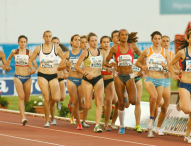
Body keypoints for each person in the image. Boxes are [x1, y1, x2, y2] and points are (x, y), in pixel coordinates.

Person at [136, 31, 171, 138]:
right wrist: (143, 67)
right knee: (154, 96)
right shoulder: (147, 51)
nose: (157, 41)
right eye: (155, 39)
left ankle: (151, 123)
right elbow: (137, 62)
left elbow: (170, 68)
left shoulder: (165, 52)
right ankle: (151, 120)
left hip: (161, 80)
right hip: (149, 78)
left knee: (157, 106)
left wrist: (165, 66)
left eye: (159, 39)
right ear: (152, 40)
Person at [106, 29, 141, 134]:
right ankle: (122, 126)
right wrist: (110, 64)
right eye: (122, 35)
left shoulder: (133, 47)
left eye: (126, 35)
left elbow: (143, 56)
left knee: (134, 101)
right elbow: (106, 61)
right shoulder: (114, 48)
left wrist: (143, 68)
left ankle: (126, 95)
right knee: (120, 103)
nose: (124, 36)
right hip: (119, 76)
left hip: (130, 76)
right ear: (119, 37)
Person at [28, 30, 63, 127]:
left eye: (49, 36)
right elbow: (30, 61)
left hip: (53, 75)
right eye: (46, 36)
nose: (48, 38)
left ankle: (57, 103)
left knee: (56, 98)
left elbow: (64, 58)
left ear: (52, 37)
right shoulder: (39, 48)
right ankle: (47, 120)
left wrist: (61, 70)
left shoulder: (56, 48)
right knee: (46, 98)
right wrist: (32, 68)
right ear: (43, 37)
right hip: (42, 74)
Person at [75, 32, 108, 133]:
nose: (94, 42)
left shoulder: (101, 52)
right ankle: (86, 99)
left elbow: (103, 65)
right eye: (92, 41)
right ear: (89, 42)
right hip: (87, 80)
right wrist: (85, 74)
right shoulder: (85, 52)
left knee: (100, 101)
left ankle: (97, 125)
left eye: (95, 40)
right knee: (88, 106)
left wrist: (108, 67)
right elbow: (77, 66)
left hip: (98, 78)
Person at [7, 35, 37, 125]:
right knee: (21, 97)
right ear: (18, 43)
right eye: (21, 41)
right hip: (18, 77)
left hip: (27, 78)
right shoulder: (14, 51)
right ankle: (23, 118)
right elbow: (8, 59)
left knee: (26, 99)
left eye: (24, 42)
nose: (22, 43)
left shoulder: (30, 52)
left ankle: (23, 109)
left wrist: (34, 69)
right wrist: (7, 66)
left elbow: (35, 64)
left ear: (26, 43)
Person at [58, 34, 85, 129]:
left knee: (82, 104)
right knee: (76, 101)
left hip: (82, 80)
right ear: (71, 42)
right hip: (71, 79)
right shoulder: (67, 54)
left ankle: (75, 115)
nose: (77, 41)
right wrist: (66, 65)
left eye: (79, 40)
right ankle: (79, 124)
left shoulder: (84, 52)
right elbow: (59, 67)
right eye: (75, 40)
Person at [169, 31, 191, 143]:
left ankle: (187, 135)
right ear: (188, 39)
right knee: (187, 110)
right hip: (185, 84)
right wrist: (173, 74)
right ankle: (181, 103)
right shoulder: (183, 52)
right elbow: (170, 64)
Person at [100, 36, 118, 131]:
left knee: (114, 101)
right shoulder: (100, 53)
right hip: (100, 79)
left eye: (108, 42)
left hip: (110, 79)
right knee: (106, 101)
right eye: (104, 42)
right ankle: (105, 123)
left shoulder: (113, 53)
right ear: (101, 44)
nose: (106, 44)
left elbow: (116, 66)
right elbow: (100, 64)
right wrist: (105, 66)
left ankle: (109, 123)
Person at [50, 37, 68, 125]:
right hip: (51, 78)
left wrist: (65, 73)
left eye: (57, 42)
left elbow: (65, 64)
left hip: (60, 77)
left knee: (62, 97)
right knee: (52, 99)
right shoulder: (48, 53)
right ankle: (53, 118)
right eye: (54, 42)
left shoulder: (62, 54)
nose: (56, 44)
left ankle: (58, 102)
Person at [132, 53, 143, 133]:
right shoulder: (125, 53)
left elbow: (144, 64)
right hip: (128, 79)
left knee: (138, 101)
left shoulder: (138, 55)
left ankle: (137, 125)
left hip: (137, 78)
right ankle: (121, 124)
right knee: (126, 104)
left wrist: (142, 71)